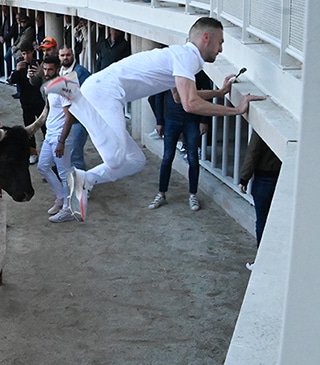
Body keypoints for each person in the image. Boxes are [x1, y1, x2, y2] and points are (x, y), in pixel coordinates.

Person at [48, 17, 266, 222]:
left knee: (135, 161)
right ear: (205, 38)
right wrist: (236, 110)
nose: (221, 49)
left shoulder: (181, 57)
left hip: (104, 90)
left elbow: (180, 97)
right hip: (105, 91)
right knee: (115, 158)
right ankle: (73, 94)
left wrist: (220, 93)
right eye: (220, 43)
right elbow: (191, 104)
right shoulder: (187, 57)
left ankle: (85, 180)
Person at [147, 70, 214, 212]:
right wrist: (159, 121)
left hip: (192, 120)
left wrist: (204, 120)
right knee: (167, 158)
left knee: (193, 158)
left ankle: (193, 194)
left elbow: (207, 95)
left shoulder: (198, 72)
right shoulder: (170, 72)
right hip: (172, 120)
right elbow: (158, 96)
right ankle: (161, 193)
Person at [36, 55, 77, 223]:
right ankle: (61, 198)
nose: (46, 72)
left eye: (50, 69)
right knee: (42, 166)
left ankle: (68, 208)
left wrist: (61, 141)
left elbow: (69, 117)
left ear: (57, 68)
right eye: (45, 69)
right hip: (51, 134)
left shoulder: (63, 86)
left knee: (64, 172)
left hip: (61, 137)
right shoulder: (51, 86)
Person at [238, 131, 281, 270]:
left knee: (262, 220)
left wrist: (244, 178)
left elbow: (253, 152)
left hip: (264, 177)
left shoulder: (264, 126)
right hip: (285, 176)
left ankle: (263, 260)